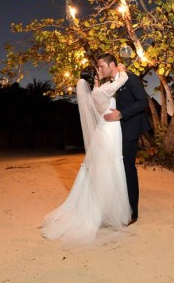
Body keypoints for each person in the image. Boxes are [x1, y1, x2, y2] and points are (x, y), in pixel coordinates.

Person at [41, 64, 131, 245]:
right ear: (95, 77)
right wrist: (121, 68)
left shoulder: (95, 92)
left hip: (104, 131)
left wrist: (99, 81)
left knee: (104, 168)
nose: (100, 71)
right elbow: (123, 79)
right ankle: (106, 213)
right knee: (109, 168)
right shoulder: (102, 91)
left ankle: (106, 210)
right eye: (98, 70)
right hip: (110, 132)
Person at [97, 53, 151, 225]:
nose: (100, 69)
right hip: (113, 132)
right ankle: (118, 206)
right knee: (115, 169)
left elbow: (143, 101)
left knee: (128, 169)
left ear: (112, 65)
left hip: (130, 129)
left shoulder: (130, 78)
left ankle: (133, 213)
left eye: (102, 66)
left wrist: (122, 114)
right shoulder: (109, 84)